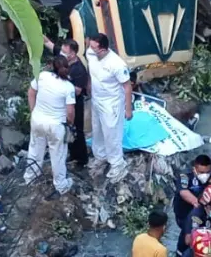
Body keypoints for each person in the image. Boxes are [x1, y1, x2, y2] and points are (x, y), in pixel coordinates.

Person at [25, 55, 76, 195]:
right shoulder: (68, 87)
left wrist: (34, 111)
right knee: (58, 155)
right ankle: (60, 185)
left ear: (51, 65)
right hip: (56, 125)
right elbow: (70, 112)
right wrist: (70, 124)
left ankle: (30, 177)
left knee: (35, 149)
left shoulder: (41, 76)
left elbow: (31, 93)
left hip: (38, 121)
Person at [86, 32, 133, 183]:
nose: (91, 50)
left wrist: (128, 109)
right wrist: (89, 85)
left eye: (94, 48)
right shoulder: (91, 53)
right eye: (90, 46)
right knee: (97, 129)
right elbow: (90, 71)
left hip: (111, 102)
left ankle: (117, 164)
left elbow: (127, 87)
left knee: (112, 134)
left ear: (104, 49)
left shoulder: (117, 64)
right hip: (96, 99)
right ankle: (100, 156)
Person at [46, 36, 90, 167]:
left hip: (75, 104)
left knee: (77, 130)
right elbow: (48, 43)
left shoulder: (79, 70)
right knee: (65, 128)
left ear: (73, 54)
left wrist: (64, 83)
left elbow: (77, 91)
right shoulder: (62, 58)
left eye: (65, 52)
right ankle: (72, 154)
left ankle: (82, 159)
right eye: (62, 51)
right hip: (62, 103)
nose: (62, 54)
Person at [173, 154, 211, 240]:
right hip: (184, 212)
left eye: (207, 172)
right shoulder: (185, 175)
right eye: (201, 172)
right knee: (188, 235)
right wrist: (198, 203)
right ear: (195, 168)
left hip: (203, 211)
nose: (205, 175)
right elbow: (183, 192)